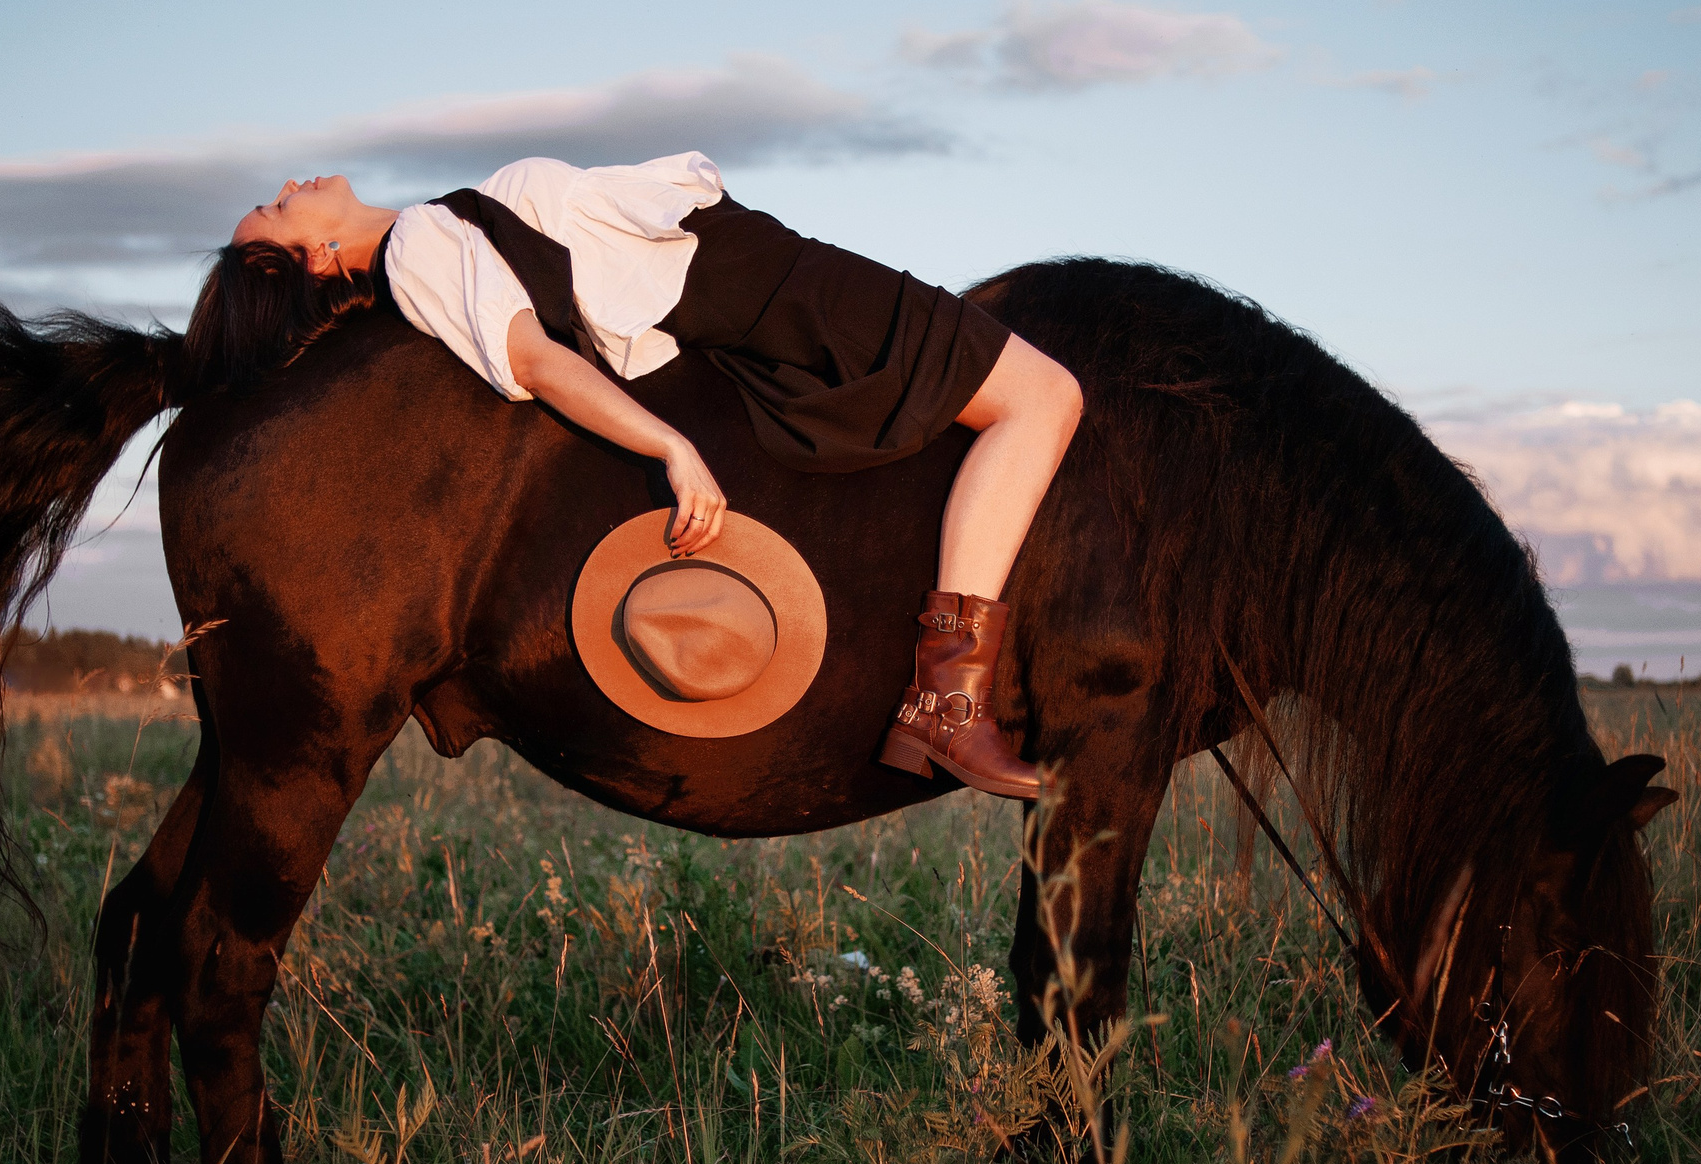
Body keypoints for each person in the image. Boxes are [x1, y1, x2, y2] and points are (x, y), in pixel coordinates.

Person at [193, 152, 1081, 799]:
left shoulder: (430, 229)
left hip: (752, 271)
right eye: (274, 212)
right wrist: (669, 446)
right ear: (312, 260)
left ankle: (949, 699)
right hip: (767, 287)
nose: (286, 186)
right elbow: (534, 359)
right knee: (1044, 395)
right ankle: (951, 704)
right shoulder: (419, 246)